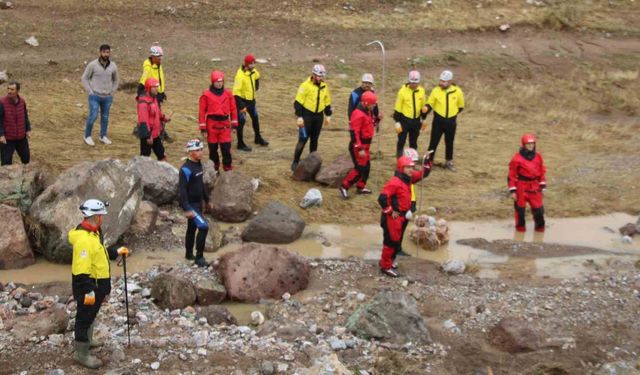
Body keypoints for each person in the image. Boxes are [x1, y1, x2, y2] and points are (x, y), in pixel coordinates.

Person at [69, 199, 129, 369]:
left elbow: (99, 254)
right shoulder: (85, 240)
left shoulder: (93, 233)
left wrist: (115, 251)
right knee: (83, 318)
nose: (103, 218)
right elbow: (81, 271)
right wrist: (88, 291)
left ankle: (87, 340)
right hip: (90, 287)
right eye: (101, 216)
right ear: (95, 217)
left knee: (91, 314)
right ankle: (81, 354)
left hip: (97, 286)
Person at [377, 155, 432, 277]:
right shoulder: (395, 182)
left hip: (401, 217)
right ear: (401, 168)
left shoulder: (408, 179)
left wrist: (427, 162)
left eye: (412, 167)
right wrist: (390, 211)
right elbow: (382, 198)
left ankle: (388, 262)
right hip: (393, 218)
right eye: (408, 167)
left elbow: (422, 174)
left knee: (396, 241)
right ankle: (385, 266)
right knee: (391, 242)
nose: (411, 170)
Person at [179, 139, 213, 267]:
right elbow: (181, 190)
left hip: (199, 203)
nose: (201, 152)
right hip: (191, 205)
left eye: (201, 149)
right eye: (197, 150)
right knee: (203, 227)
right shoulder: (185, 169)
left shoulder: (199, 164)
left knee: (192, 228)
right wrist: (186, 208)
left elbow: (201, 184)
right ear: (190, 152)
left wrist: (207, 200)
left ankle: (188, 254)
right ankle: (199, 257)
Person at [291, 64, 332, 171]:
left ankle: (312, 163)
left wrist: (328, 114)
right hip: (306, 116)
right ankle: (295, 161)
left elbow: (327, 101)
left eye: (322, 76)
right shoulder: (305, 85)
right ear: (313, 75)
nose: (320, 78)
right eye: (319, 76)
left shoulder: (324, 86)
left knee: (314, 140)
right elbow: (298, 102)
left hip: (318, 116)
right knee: (303, 139)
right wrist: (299, 116)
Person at [424, 70, 465, 171]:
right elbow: (431, 103)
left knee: (449, 141)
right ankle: (429, 162)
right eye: (441, 80)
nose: (441, 83)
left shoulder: (457, 91)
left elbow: (461, 106)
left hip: (451, 121)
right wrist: (426, 108)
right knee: (433, 141)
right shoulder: (436, 91)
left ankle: (449, 161)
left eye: (444, 81)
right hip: (438, 120)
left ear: (450, 81)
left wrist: (452, 114)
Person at [339, 91, 377, 198]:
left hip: (366, 146)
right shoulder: (358, 114)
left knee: (367, 166)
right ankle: (344, 186)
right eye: (372, 104)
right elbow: (354, 133)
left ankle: (361, 186)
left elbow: (370, 124)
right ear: (366, 103)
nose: (374, 106)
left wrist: (377, 119)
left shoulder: (367, 112)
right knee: (360, 168)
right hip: (359, 146)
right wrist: (359, 148)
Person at [199, 70, 238, 172]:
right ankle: (214, 169)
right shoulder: (206, 95)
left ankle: (227, 168)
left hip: (225, 124)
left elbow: (233, 109)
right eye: (217, 82)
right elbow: (202, 112)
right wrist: (203, 129)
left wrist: (234, 125)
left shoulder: (228, 94)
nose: (220, 83)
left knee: (226, 149)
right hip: (212, 125)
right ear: (213, 82)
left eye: (221, 81)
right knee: (213, 150)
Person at [81, 44, 119, 146]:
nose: (106, 54)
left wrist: (112, 91)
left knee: (105, 117)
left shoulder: (113, 66)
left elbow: (116, 80)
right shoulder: (92, 65)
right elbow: (84, 78)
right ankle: (87, 136)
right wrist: (90, 91)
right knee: (93, 116)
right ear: (100, 52)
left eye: (108, 52)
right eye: (104, 52)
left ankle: (103, 136)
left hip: (107, 97)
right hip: (95, 96)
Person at [508, 133, 547, 232]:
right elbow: (511, 175)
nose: (531, 146)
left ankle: (540, 230)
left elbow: (542, 170)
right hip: (521, 186)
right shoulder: (516, 158)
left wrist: (542, 184)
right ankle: (520, 231)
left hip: (534, 186)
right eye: (528, 144)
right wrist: (513, 191)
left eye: (532, 144)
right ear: (524, 145)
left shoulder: (538, 156)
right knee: (520, 210)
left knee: (539, 210)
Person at [233, 54, 268, 151]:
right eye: (251, 64)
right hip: (243, 102)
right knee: (241, 122)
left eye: (254, 63)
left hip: (251, 101)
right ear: (247, 64)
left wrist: (256, 86)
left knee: (255, 119)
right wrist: (241, 106)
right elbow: (236, 93)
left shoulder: (253, 71)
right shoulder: (240, 76)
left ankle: (258, 138)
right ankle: (240, 143)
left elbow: (257, 76)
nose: (253, 65)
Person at [138, 43, 172, 142]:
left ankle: (160, 132)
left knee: (157, 113)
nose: (160, 58)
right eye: (158, 57)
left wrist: (162, 92)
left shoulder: (158, 64)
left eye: (161, 56)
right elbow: (143, 80)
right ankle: (156, 133)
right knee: (155, 115)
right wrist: (140, 92)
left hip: (157, 93)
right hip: (151, 94)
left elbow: (159, 79)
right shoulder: (148, 67)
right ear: (153, 56)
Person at [347, 73, 382, 165]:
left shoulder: (372, 93)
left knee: (366, 138)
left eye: (369, 83)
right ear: (362, 83)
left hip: (367, 119)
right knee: (356, 136)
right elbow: (350, 108)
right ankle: (356, 154)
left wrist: (377, 118)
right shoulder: (355, 93)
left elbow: (375, 107)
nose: (367, 85)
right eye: (365, 82)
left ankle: (363, 155)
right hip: (357, 119)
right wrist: (351, 121)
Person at [393, 70, 427, 157]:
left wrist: (423, 119)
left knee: (413, 141)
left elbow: (423, 105)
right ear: (409, 81)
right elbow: (398, 107)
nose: (414, 85)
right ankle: (399, 158)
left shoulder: (422, 91)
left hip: (416, 120)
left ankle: (413, 158)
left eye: (416, 83)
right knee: (401, 140)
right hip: (404, 119)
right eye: (412, 83)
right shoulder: (402, 91)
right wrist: (397, 121)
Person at [136, 78, 170, 160]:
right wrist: (148, 136)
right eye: (154, 87)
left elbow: (157, 112)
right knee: (144, 158)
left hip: (155, 134)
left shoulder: (154, 99)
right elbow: (143, 121)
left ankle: (163, 171)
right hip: (147, 136)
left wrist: (164, 118)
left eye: (157, 87)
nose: (156, 89)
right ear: (148, 88)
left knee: (161, 154)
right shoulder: (143, 103)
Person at [0, 80, 31, 166]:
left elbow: (25, 116)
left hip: (21, 137)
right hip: (7, 139)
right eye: (8, 89)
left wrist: (28, 129)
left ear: (17, 91)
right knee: (6, 162)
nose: (9, 91)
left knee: (26, 159)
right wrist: (1, 135)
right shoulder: (2, 102)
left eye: (12, 89)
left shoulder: (22, 102)